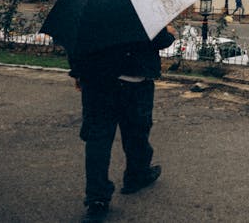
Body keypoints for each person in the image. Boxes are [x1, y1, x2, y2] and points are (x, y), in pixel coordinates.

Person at [69, 25, 176, 221]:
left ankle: (97, 199)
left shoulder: (93, 9)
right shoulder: (143, 9)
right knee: (137, 132)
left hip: (97, 81)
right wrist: (169, 33)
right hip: (134, 82)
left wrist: (78, 72)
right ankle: (137, 175)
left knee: (98, 140)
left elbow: (77, 39)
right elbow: (160, 40)